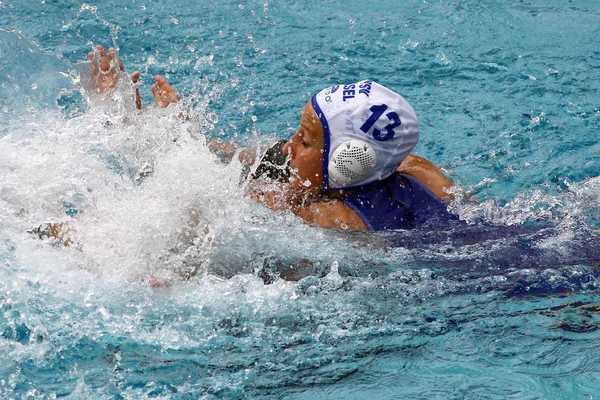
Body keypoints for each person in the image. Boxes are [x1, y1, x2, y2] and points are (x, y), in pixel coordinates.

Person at [82, 44, 457, 232]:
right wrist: (177, 131)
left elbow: (201, 195)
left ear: (348, 163)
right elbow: (247, 159)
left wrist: (148, 135)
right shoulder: (411, 167)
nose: (290, 145)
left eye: (305, 140)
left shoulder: (329, 217)